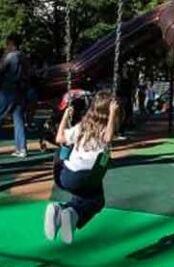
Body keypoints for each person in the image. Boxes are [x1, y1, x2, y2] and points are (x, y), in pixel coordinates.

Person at [45, 92, 120, 244]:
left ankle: (60, 209)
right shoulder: (103, 130)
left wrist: (65, 117)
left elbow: (59, 138)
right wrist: (113, 114)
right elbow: (108, 138)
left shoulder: (81, 126)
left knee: (81, 197)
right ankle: (73, 215)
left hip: (64, 175)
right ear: (107, 113)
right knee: (97, 201)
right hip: (85, 177)